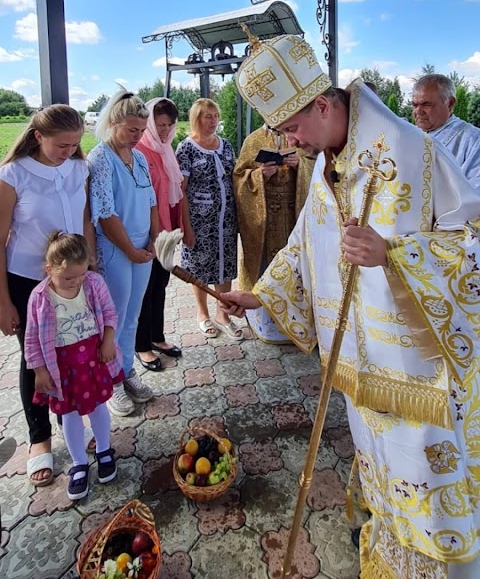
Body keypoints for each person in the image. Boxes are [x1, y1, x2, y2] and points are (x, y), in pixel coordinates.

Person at [224, 31, 480, 578]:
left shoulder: (414, 151)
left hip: (418, 376)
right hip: (360, 370)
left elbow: (472, 237)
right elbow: (304, 243)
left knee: (428, 483)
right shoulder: (325, 160)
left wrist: (394, 255)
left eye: (292, 128)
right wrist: (259, 295)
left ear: (322, 104)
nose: (290, 142)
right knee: (382, 472)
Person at [0, 105, 94, 487]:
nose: (69, 151)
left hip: (73, 278)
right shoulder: (13, 174)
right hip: (27, 281)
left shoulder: (78, 169)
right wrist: (3, 300)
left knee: (71, 350)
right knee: (34, 356)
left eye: (75, 144)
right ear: (38, 136)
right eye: (61, 144)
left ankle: (69, 422)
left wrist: (91, 268)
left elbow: (86, 218)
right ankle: (39, 438)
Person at [25, 232, 122, 500]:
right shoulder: (40, 297)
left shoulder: (94, 283)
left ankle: (104, 450)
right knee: (69, 415)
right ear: (49, 269)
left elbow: (110, 313)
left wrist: (108, 342)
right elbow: (32, 338)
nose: (76, 282)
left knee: (99, 407)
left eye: (81, 275)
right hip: (62, 367)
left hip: (93, 358)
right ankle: (79, 463)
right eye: (68, 278)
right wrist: (40, 370)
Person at [88, 89, 159, 416]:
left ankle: (126, 370)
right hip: (116, 249)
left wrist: (155, 238)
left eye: (142, 131)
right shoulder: (100, 159)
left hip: (142, 248)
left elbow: (151, 201)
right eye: (132, 130)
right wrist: (130, 249)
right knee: (112, 318)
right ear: (113, 122)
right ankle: (111, 380)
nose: (138, 136)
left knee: (133, 313)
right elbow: (105, 213)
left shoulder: (140, 156)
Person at [233, 124, 315, 342]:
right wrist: (259, 175)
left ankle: (297, 325)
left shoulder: (300, 136)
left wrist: (301, 166)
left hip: (294, 216)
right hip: (266, 219)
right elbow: (239, 177)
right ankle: (266, 324)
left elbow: (318, 166)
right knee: (266, 265)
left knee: (296, 263)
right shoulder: (253, 139)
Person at [176, 98, 241, 340]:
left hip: (226, 220)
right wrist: (187, 227)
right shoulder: (186, 148)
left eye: (215, 116)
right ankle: (202, 314)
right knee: (200, 267)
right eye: (207, 117)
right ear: (196, 119)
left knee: (225, 266)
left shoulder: (225, 145)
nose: (213, 121)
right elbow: (180, 190)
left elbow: (234, 178)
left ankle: (223, 314)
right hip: (200, 222)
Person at [134, 98, 183, 370]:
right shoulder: (140, 150)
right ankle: (141, 345)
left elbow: (175, 191)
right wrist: (154, 233)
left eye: (169, 125)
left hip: (165, 232)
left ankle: (157, 337)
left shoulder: (166, 149)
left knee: (160, 286)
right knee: (145, 290)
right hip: (146, 233)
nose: (164, 130)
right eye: (159, 124)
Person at [412, 73, 480, 190]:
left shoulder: (473, 139)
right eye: (414, 105)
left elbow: (475, 193)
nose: (418, 111)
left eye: (426, 104)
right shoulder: (409, 135)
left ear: (450, 103)